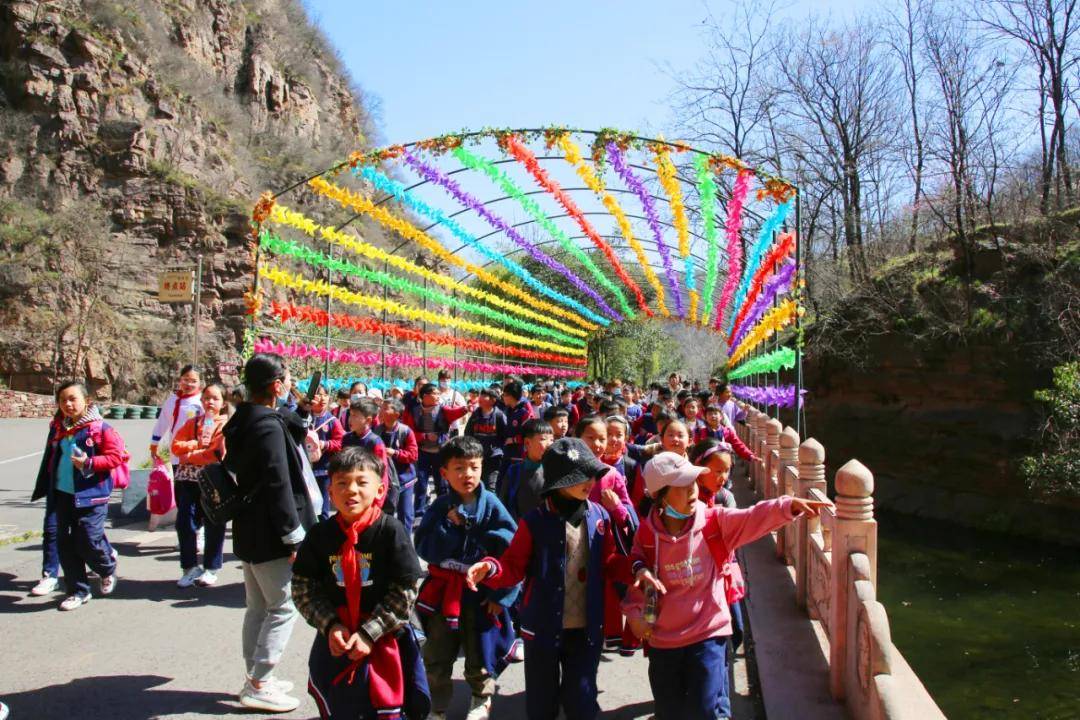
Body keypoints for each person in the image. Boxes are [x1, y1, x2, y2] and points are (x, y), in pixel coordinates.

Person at [623, 452, 826, 720]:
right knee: (669, 710)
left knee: (705, 710)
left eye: (693, 483)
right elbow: (636, 563)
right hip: (664, 640)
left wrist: (789, 506)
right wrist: (638, 603)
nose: (692, 492)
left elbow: (752, 517)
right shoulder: (648, 533)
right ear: (660, 497)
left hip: (708, 633)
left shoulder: (714, 523)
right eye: (682, 487)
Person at [465, 438, 635, 720]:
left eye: (591, 474)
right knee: (542, 702)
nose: (590, 482)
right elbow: (513, 567)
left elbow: (610, 562)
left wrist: (636, 570)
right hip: (542, 627)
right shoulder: (534, 522)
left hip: (587, 626)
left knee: (582, 698)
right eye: (580, 477)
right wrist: (491, 569)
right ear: (558, 481)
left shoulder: (600, 517)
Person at [291, 446, 430, 720]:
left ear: (380, 490)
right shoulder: (320, 535)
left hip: (386, 634)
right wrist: (330, 625)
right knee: (340, 702)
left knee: (388, 704)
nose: (351, 490)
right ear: (330, 492)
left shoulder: (391, 531)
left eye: (361, 482)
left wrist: (369, 633)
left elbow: (406, 590)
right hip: (337, 635)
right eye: (341, 483)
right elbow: (303, 588)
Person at [223, 354, 315, 712]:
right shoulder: (267, 426)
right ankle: (260, 682)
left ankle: (255, 676)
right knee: (283, 606)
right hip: (273, 531)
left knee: (258, 607)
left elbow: (290, 424)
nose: (290, 383)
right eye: (287, 380)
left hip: (249, 528)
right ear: (276, 385)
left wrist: (302, 408)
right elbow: (279, 484)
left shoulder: (245, 418)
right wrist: (293, 536)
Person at [414, 436, 520, 720]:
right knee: (437, 653)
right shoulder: (440, 507)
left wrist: (502, 596)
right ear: (444, 473)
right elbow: (423, 547)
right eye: (459, 468)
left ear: (482, 467)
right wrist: (448, 525)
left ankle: (481, 697)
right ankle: (436, 706)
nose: (467, 474)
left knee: (480, 652)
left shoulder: (493, 505)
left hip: (481, 593)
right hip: (444, 593)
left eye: (473, 467)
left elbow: (513, 554)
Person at [31, 381, 127, 610]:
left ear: (87, 401)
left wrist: (90, 462)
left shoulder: (99, 428)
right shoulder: (59, 427)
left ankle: (106, 567)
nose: (68, 404)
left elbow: (117, 457)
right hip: (63, 494)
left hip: (91, 495)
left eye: (73, 398)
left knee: (87, 539)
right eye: (63, 400)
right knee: (65, 543)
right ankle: (78, 591)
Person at [170, 383, 228, 588]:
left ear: (223, 402)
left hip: (213, 482)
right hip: (187, 480)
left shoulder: (225, 424)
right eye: (206, 398)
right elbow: (176, 446)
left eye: (215, 398)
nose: (210, 402)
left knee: (214, 524)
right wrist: (195, 445)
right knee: (185, 523)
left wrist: (190, 456)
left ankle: (211, 568)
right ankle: (189, 567)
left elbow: (215, 453)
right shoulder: (192, 422)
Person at [405, 383, 468, 520]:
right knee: (421, 484)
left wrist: (465, 408)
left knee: (442, 484)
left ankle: (445, 511)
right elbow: (409, 432)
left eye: (439, 394)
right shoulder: (414, 411)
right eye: (435, 393)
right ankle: (419, 513)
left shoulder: (443, 410)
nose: (438, 396)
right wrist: (425, 436)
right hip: (422, 453)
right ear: (425, 396)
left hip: (440, 453)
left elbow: (457, 412)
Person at [342, 399, 394, 514]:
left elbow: (382, 474)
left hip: (368, 495)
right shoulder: (347, 439)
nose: (350, 419)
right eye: (350, 415)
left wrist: (377, 502)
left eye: (355, 416)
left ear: (368, 420)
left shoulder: (374, 442)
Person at [376, 398, 420, 532]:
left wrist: (395, 453)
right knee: (384, 515)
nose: (381, 411)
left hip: (404, 480)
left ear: (396, 414)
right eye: (381, 408)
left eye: (385, 408)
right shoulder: (377, 431)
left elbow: (413, 455)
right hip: (384, 480)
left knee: (405, 515)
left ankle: (405, 545)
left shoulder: (406, 431)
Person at [498, 418, 553, 521]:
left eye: (551, 440)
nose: (549, 444)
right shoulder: (514, 471)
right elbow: (503, 505)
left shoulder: (555, 470)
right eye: (543, 439)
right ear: (527, 443)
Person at [150, 365, 203, 468]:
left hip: (196, 454)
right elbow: (162, 423)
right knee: (179, 483)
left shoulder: (202, 401)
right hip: (176, 453)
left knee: (196, 484)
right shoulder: (172, 400)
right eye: (185, 379)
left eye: (193, 381)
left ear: (200, 382)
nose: (188, 384)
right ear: (180, 380)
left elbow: (210, 422)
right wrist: (154, 444)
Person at [309, 383, 346, 520]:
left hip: (324, 470)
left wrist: (325, 444)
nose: (323, 398)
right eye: (319, 394)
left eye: (325, 394)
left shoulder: (332, 421)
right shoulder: (304, 417)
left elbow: (341, 442)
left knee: (323, 506)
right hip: (306, 470)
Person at [464, 388, 508, 493]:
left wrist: (498, 449)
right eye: (481, 395)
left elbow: (505, 435)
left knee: (491, 486)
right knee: (477, 484)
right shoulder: (475, 415)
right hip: (477, 456)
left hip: (494, 457)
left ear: (493, 400)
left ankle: (491, 507)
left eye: (485, 396)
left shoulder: (499, 416)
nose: (481, 398)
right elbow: (468, 433)